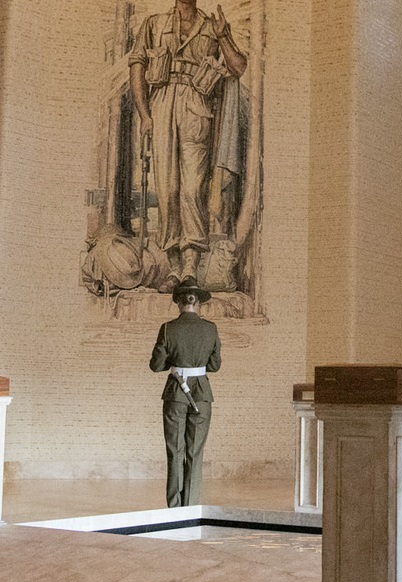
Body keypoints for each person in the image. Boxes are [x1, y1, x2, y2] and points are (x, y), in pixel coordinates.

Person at [129, 1, 247, 292]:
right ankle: (174, 268)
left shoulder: (211, 26)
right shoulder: (154, 24)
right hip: (162, 105)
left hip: (196, 107)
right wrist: (144, 115)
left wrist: (223, 36)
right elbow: (137, 67)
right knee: (168, 189)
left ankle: (191, 268)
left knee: (193, 189)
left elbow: (239, 67)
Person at [150, 279, 222, 507]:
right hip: (202, 394)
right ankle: (190, 508)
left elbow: (156, 364)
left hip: (175, 394)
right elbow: (215, 365)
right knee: (194, 453)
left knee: (175, 451)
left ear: (179, 302)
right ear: (198, 302)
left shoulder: (168, 328)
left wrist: (175, 361)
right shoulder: (210, 329)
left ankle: (174, 508)